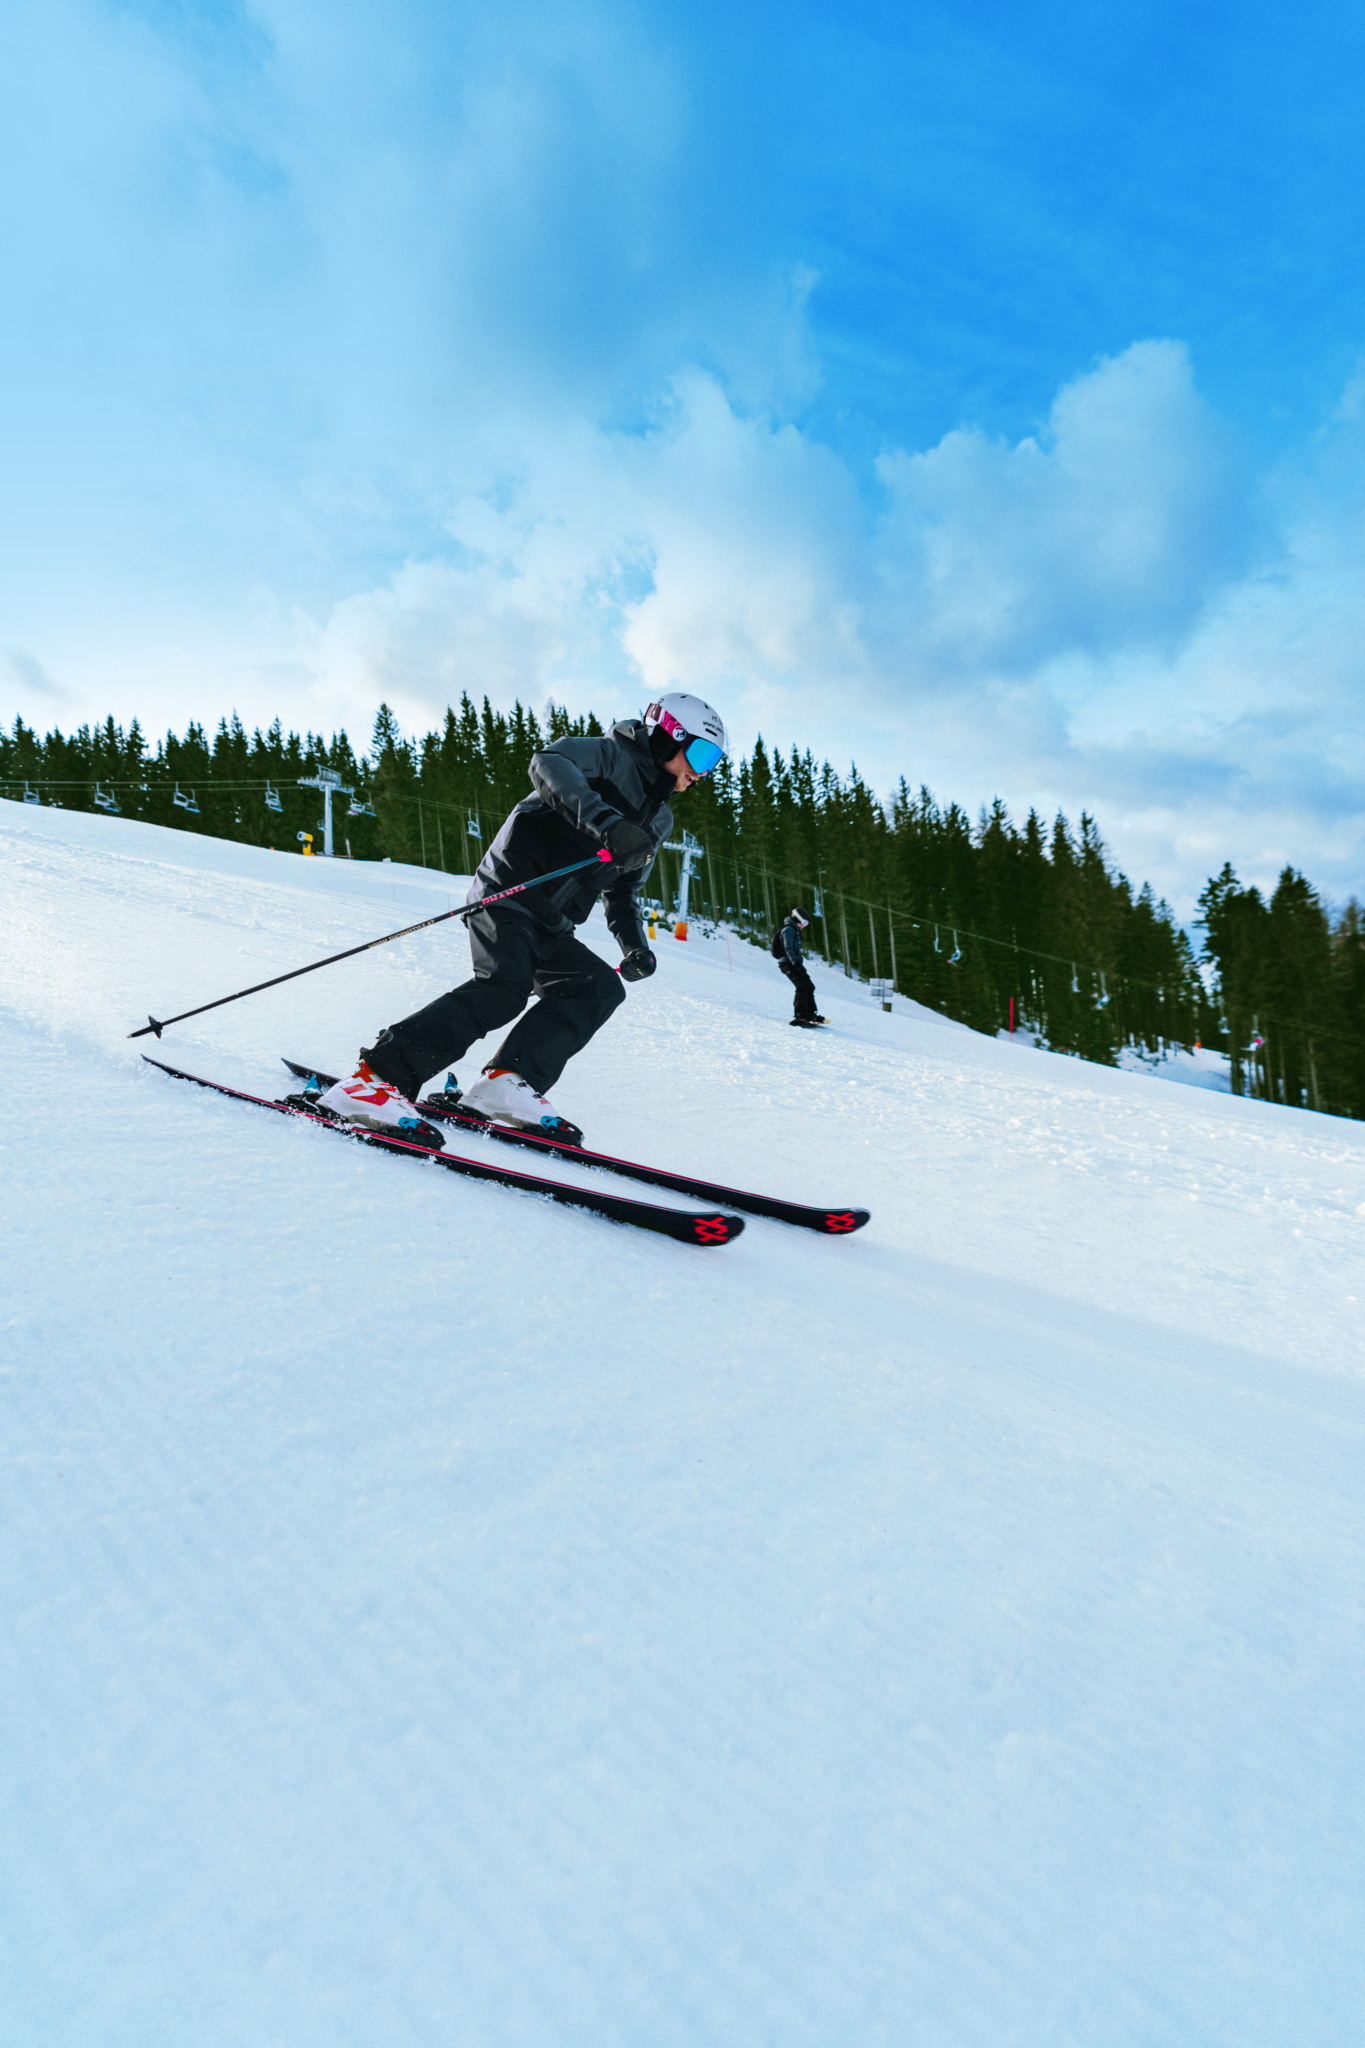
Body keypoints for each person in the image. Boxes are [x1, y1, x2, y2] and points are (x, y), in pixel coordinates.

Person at [318, 694, 728, 1145]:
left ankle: (504, 1083)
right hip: (510, 889)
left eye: (714, 762)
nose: (703, 772)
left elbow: (624, 888)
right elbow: (548, 763)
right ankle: (376, 1079)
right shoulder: (609, 755)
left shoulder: (660, 819)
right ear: (668, 736)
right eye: (702, 754)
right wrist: (606, 821)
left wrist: (634, 945)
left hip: (553, 921)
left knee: (597, 987)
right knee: (502, 988)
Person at [773, 905, 826, 1027]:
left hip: (794, 963)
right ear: (797, 919)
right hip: (787, 963)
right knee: (801, 986)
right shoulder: (788, 930)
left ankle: (810, 1013)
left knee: (809, 986)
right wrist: (795, 963)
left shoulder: (794, 930)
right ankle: (800, 1015)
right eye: (804, 922)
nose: (804, 926)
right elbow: (788, 948)